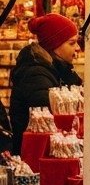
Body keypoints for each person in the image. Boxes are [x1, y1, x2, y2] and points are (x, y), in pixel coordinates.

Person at [10, 13, 82, 153]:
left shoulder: (60, 69)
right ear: (54, 45)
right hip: (35, 154)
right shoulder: (35, 73)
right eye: (72, 43)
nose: (78, 47)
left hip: (49, 149)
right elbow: (52, 117)